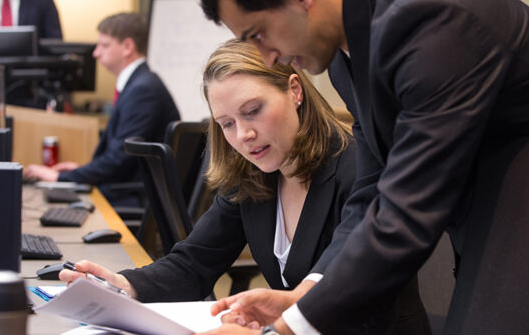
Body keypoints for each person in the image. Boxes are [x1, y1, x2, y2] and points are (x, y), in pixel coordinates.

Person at [197, 0, 529, 334]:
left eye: (259, 34)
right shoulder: (349, 51)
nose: (267, 55)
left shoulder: (431, 21)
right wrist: (306, 297)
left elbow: (407, 208)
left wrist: (288, 329)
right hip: (503, 211)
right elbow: (375, 186)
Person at [59, 39, 429, 333]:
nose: (244, 135)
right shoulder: (253, 175)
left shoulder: (357, 168)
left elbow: (352, 295)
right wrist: (123, 286)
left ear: (295, 90)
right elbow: (194, 263)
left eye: (252, 111)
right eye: (227, 123)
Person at [23, 12, 180, 207]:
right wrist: (79, 171)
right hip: (124, 189)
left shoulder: (143, 90)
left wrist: (60, 177)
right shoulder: (138, 84)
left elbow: (118, 161)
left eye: (104, 45)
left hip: (131, 197)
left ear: (127, 47)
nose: (95, 53)